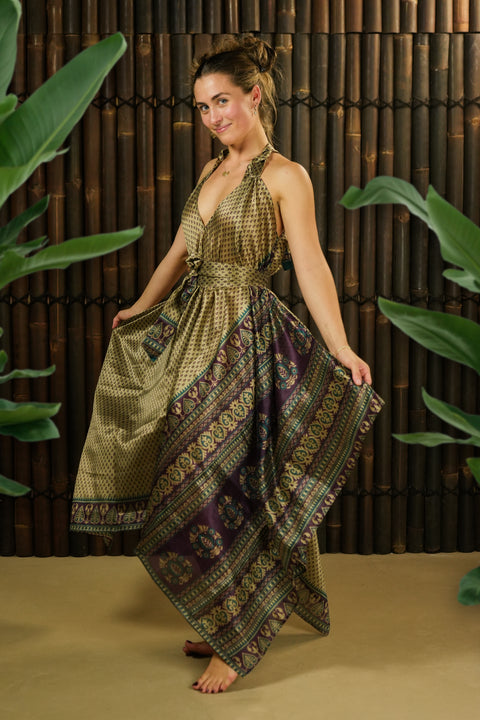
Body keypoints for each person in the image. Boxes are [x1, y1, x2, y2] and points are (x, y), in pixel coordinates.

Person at [71, 35, 383, 694]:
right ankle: (221, 616)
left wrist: (340, 347)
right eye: (203, 107)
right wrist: (139, 306)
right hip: (190, 334)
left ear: (254, 96)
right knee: (187, 475)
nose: (212, 117)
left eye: (222, 102)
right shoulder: (211, 172)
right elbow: (181, 252)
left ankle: (236, 640)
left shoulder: (285, 176)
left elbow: (311, 266)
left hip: (245, 337)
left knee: (227, 477)